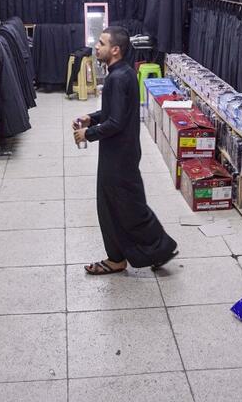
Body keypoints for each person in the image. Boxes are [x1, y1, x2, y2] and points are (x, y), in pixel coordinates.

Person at [73, 26, 178, 275]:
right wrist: (92, 117)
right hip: (121, 151)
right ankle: (125, 255)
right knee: (116, 205)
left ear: (115, 50)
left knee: (125, 207)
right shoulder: (124, 73)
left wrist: (88, 133)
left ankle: (153, 249)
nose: (97, 47)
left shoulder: (117, 78)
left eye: (102, 43)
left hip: (118, 155)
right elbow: (115, 112)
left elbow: (116, 122)